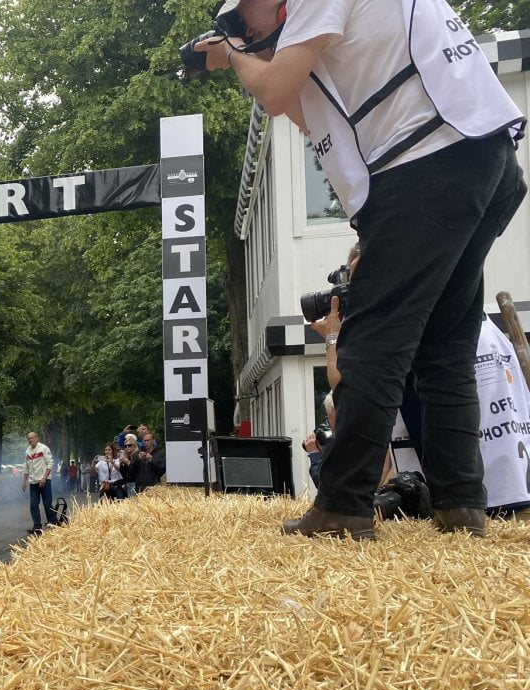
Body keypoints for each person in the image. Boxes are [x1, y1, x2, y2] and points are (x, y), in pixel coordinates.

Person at [196, 0, 526, 539]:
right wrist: (249, 51)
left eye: (239, 17)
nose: (243, 30)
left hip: (425, 164)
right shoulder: (345, 29)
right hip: (478, 157)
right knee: (445, 344)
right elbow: (306, 115)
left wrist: (233, 55)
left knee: (371, 343)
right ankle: (462, 504)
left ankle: (344, 505)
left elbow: (276, 91)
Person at [21, 431, 59, 533]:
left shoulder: (43, 448)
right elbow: (26, 468)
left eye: (32, 438)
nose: (30, 440)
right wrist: (24, 482)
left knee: (47, 504)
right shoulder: (27, 451)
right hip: (33, 482)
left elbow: (50, 463)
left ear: (37, 438)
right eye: (28, 438)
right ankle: (37, 526)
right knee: (33, 505)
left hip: (44, 481)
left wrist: (44, 478)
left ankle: (53, 523)